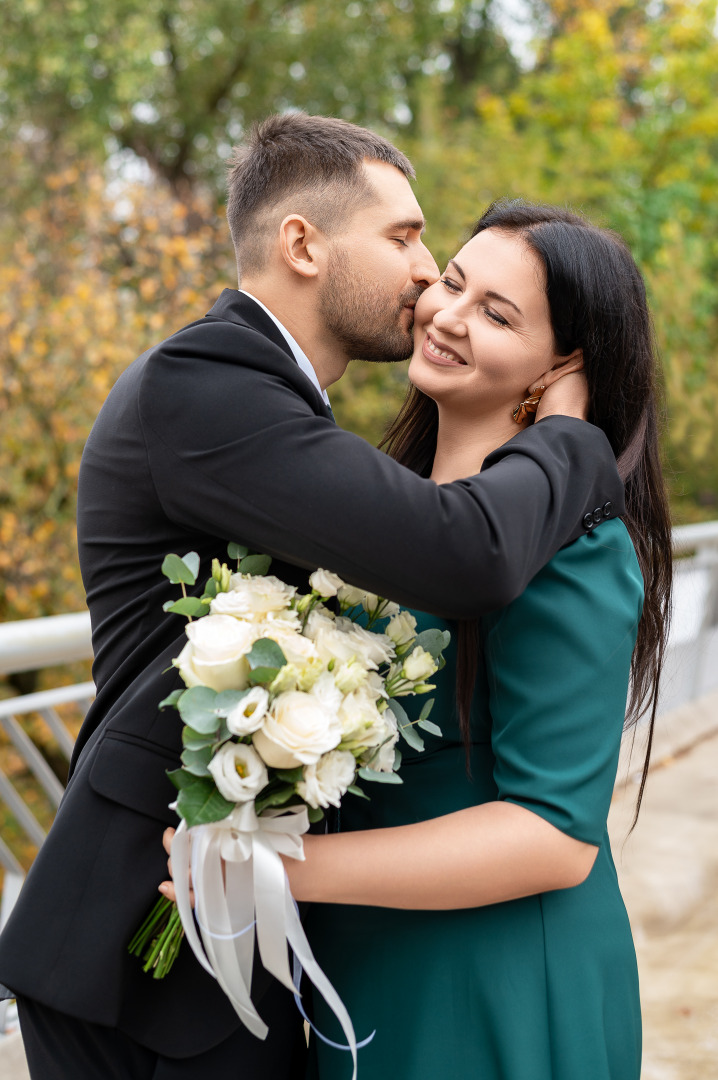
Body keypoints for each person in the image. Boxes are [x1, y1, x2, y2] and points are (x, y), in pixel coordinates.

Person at [0, 115, 623, 1080]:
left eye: (486, 303)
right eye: (414, 245)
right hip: (143, 942)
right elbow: (465, 552)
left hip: (322, 956)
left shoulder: (288, 410)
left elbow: (553, 818)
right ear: (302, 243)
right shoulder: (211, 387)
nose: (428, 283)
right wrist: (574, 436)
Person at [264, 202, 670, 1080]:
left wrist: (275, 864)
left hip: (495, 976)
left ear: (565, 366)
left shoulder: (576, 547)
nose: (448, 315)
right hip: (364, 961)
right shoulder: (390, 507)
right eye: (454, 281)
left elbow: (554, 837)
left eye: (497, 312)